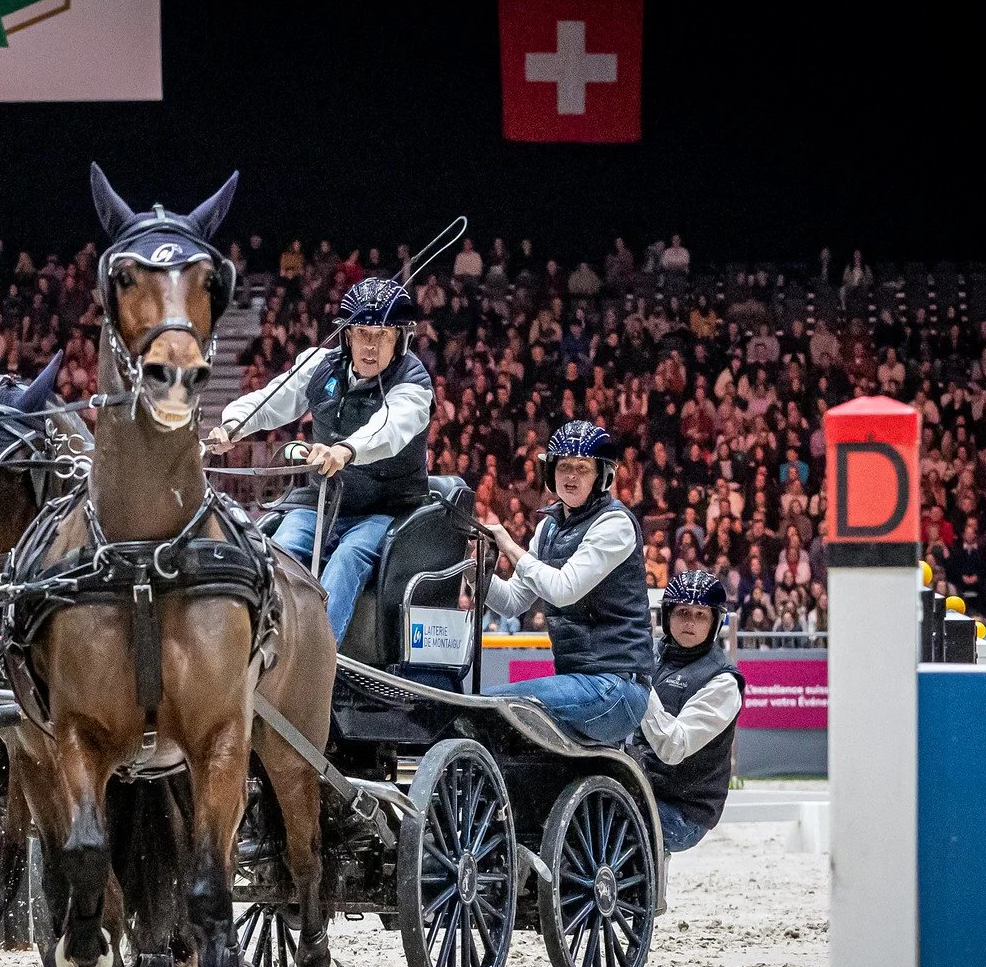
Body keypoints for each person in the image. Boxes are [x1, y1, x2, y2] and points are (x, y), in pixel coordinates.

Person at [209, 277, 433, 643]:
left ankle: (317, 656)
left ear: (400, 339)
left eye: (382, 336)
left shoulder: (413, 382)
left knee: (350, 556)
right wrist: (233, 425)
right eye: (362, 334)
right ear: (347, 336)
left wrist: (345, 450)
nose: (371, 346)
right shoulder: (319, 365)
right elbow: (272, 399)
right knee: (280, 549)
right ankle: (260, 646)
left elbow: (392, 427)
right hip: (322, 504)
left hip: (384, 511)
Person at [481, 421, 653, 743]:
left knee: (489, 707)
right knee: (489, 713)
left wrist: (510, 547)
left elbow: (563, 590)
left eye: (582, 468)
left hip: (616, 687)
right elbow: (511, 603)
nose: (571, 476)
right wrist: (473, 570)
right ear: (551, 472)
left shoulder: (615, 524)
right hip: (579, 682)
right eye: (563, 467)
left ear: (602, 476)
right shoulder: (547, 529)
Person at [634, 570, 744, 853]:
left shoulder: (723, 682)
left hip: (682, 811)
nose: (690, 623)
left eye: (700, 615)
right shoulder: (650, 655)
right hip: (639, 786)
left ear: (714, 623)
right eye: (682, 612)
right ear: (668, 615)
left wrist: (640, 683)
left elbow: (674, 746)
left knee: (606, 816)